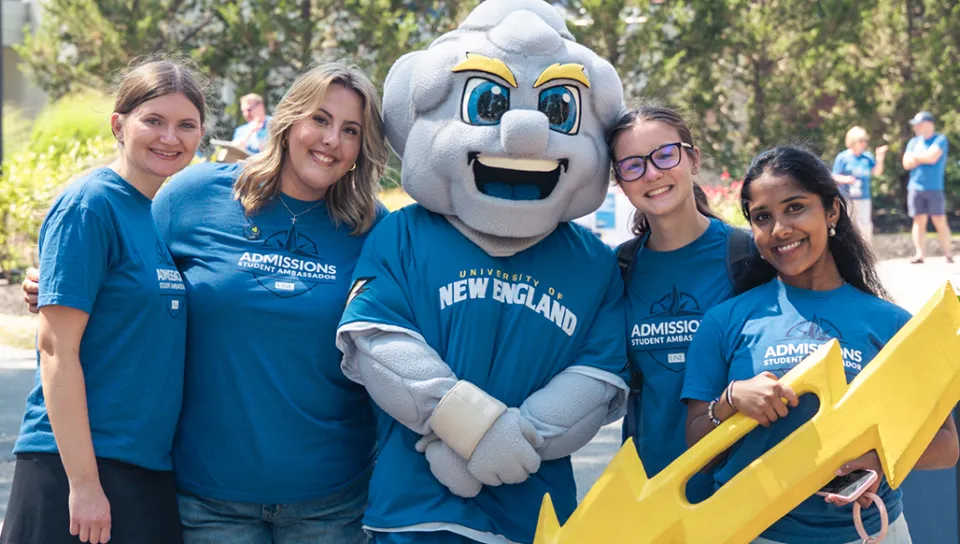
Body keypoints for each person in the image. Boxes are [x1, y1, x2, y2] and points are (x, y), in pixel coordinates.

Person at [22, 61, 390, 544]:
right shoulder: (191, 197)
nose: (330, 140)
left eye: (350, 130)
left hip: (330, 498)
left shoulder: (372, 227)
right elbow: (125, 270)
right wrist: (53, 283)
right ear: (289, 120)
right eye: (319, 119)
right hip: (209, 497)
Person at [681, 145, 959, 544]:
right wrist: (731, 399)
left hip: (869, 533)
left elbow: (945, 445)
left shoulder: (891, 323)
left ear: (832, 212)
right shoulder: (725, 321)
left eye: (795, 207)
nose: (779, 229)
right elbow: (695, 441)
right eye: (762, 217)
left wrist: (879, 462)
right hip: (753, 531)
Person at [1, 59, 207, 544]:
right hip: (76, 469)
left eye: (186, 125)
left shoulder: (166, 214)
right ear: (119, 124)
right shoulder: (90, 204)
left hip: (148, 467)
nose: (170, 138)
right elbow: (56, 351)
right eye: (153, 120)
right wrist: (84, 485)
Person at [608, 105, 754, 503]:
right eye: (633, 165)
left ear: (692, 158)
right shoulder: (617, 270)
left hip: (742, 491)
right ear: (619, 181)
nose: (652, 173)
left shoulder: (749, 256)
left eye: (665, 155)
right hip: (652, 493)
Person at [903, 111, 953, 264]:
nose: (916, 127)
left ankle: (948, 253)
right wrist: (923, 157)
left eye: (919, 124)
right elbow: (906, 164)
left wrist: (916, 158)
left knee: (939, 219)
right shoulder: (913, 142)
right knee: (918, 220)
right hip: (915, 187)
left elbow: (932, 158)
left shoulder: (940, 139)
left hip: (934, 187)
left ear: (929, 124)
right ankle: (920, 254)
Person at [831, 126, 887, 244]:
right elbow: (833, 177)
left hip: (864, 197)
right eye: (861, 141)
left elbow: (877, 172)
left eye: (865, 141)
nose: (864, 144)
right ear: (853, 141)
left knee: (865, 224)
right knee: (848, 225)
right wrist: (846, 179)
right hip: (847, 197)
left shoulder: (867, 157)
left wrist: (880, 158)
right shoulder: (843, 157)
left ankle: (867, 250)